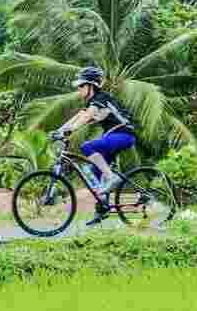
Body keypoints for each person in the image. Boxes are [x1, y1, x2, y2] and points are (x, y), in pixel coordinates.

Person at [51, 66, 138, 225]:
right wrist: (59, 130)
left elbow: (86, 117)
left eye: (81, 85)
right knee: (94, 173)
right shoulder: (92, 102)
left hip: (124, 135)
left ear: (92, 85)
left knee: (87, 146)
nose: (79, 89)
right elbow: (80, 116)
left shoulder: (101, 98)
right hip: (113, 136)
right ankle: (102, 210)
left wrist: (70, 130)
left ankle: (112, 178)